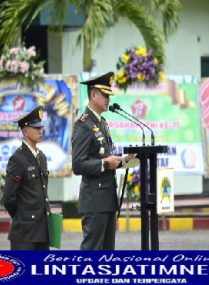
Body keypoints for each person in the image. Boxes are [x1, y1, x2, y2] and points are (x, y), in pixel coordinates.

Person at [72, 71, 124, 250]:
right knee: (92, 251)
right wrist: (105, 164)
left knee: (108, 252)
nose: (109, 98)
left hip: (107, 198)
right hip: (94, 201)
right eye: (105, 94)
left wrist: (122, 161)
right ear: (93, 94)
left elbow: (104, 155)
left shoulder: (102, 122)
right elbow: (78, 165)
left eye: (110, 94)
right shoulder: (83, 124)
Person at [3, 106, 50, 250]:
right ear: (25, 131)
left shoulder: (41, 156)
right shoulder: (18, 159)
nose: (40, 131)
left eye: (40, 127)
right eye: (35, 128)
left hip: (42, 231)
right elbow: (8, 198)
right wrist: (22, 216)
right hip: (24, 233)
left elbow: (42, 192)